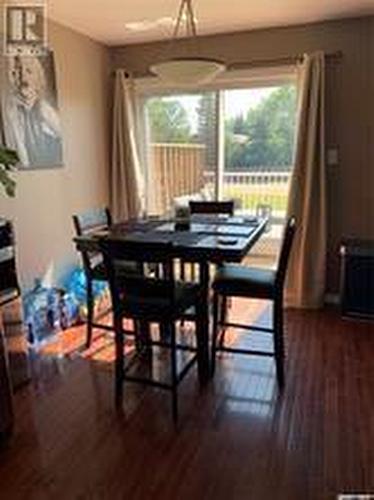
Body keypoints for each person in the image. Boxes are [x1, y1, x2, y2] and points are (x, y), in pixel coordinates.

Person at [2, 54, 63, 168]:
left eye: (29, 71)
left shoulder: (45, 110)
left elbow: (63, 138)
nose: (23, 78)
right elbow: (22, 160)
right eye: (15, 73)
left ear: (38, 78)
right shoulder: (14, 113)